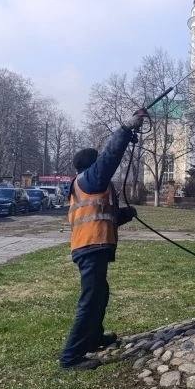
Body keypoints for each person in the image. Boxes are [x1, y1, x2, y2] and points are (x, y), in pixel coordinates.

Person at [60, 108, 148, 370]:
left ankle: (95, 338)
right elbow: (109, 157)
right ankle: (70, 357)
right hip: (90, 247)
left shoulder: (86, 186)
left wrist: (126, 214)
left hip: (89, 246)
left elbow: (102, 217)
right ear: (91, 165)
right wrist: (126, 129)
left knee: (100, 293)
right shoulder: (90, 178)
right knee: (90, 298)